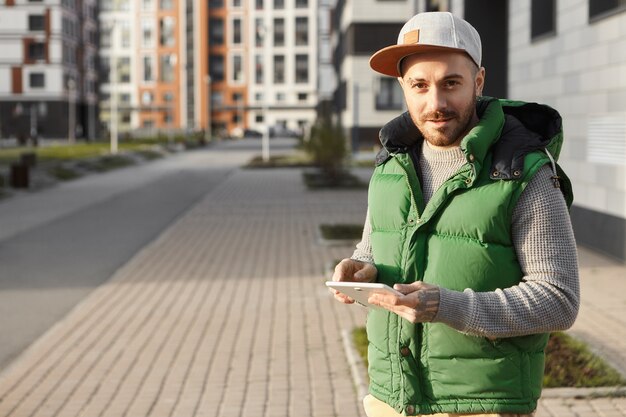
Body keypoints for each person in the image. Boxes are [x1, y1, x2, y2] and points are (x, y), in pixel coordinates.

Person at [330, 11, 579, 417]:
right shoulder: (390, 166)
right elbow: (372, 249)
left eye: (451, 83)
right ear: (403, 87)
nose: (436, 103)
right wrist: (361, 269)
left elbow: (559, 300)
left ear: (478, 82)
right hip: (391, 399)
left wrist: (448, 306)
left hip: (482, 404)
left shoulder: (524, 172)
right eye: (420, 85)